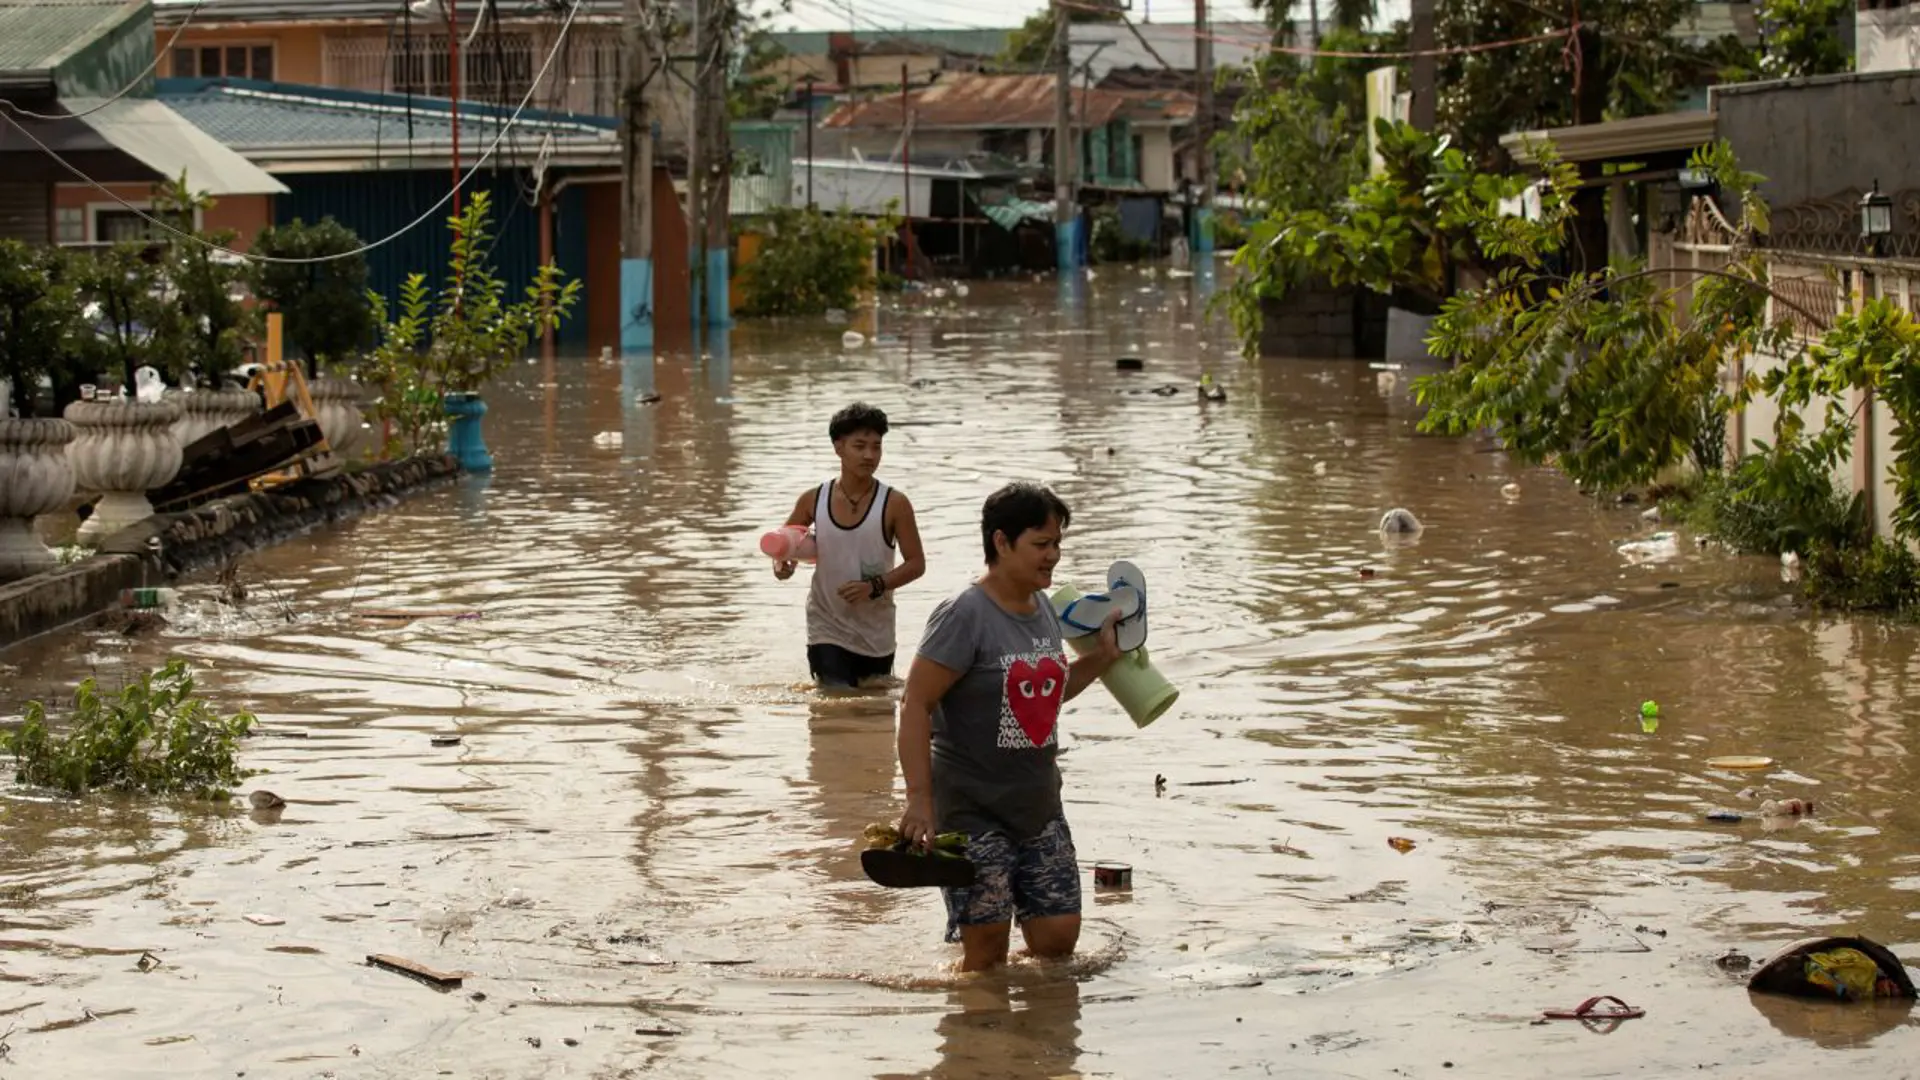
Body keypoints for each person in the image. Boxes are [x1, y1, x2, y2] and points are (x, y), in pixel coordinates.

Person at [895, 482, 1121, 972]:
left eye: (1057, 543)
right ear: (1001, 542)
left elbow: (1046, 694)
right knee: (986, 955)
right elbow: (915, 704)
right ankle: (980, 1040)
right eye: (1041, 544)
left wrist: (1102, 658)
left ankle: (1031, 1037)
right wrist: (919, 799)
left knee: (1059, 943)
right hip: (973, 811)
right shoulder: (963, 615)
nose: (1053, 556)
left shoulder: (1043, 607)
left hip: (1038, 804)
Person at [775, 402, 926, 688]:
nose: (869, 455)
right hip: (825, 625)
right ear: (838, 447)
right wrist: (782, 567)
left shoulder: (895, 503)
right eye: (860, 446)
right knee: (836, 697)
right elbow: (783, 548)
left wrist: (874, 587)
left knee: (874, 711)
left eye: (877, 447)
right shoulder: (812, 500)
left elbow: (917, 564)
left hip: (876, 630)